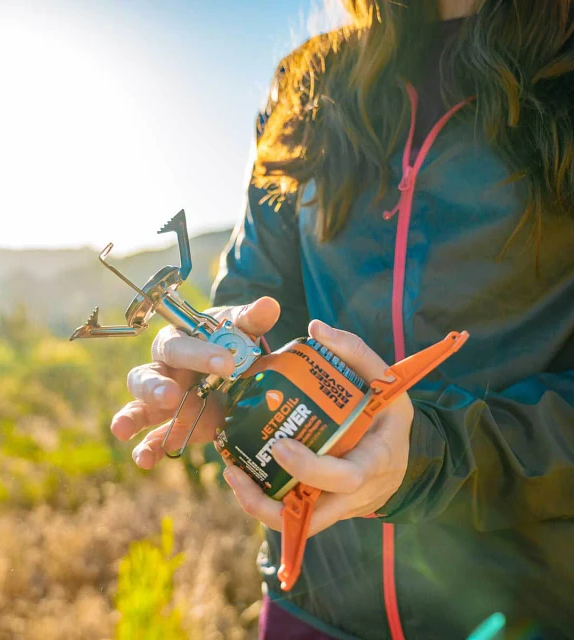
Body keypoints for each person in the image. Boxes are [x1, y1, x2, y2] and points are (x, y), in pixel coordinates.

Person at [110, 0, 574, 638]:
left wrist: (432, 457)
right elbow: (261, 297)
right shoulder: (309, 86)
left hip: (529, 609)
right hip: (313, 606)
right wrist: (221, 363)